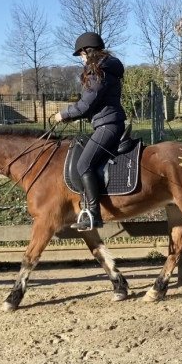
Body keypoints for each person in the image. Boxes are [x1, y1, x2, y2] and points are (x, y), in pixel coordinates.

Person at [55, 32, 127, 231]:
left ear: (88, 50)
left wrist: (64, 114)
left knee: (84, 164)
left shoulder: (98, 71)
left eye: (81, 54)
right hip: (109, 123)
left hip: (107, 125)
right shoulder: (106, 68)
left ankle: (93, 214)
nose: (81, 58)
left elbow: (86, 104)